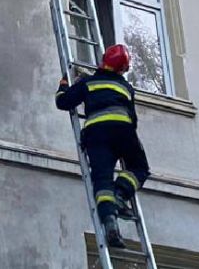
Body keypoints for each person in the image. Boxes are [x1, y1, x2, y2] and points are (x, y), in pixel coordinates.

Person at [55, 44, 150, 249]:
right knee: (139, 168)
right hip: (123, 131)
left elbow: (62, 102)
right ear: (122, 69)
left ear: (103, 60)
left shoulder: (88, 82)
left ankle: (110, 224)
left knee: (102, 179)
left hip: (96, 135)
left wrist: (64, 83)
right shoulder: (126, 88)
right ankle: (120, 194)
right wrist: (126, 143)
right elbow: (133, 119)